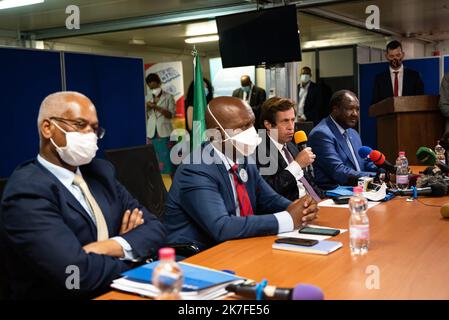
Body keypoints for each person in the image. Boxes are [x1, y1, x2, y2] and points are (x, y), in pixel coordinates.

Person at [0, 92, 166, 299]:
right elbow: (74, 274)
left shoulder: (100, 172)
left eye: (94, 128)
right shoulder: (27, 192)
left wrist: (110, 246)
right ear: (47, 128)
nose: (89, 134)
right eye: (80, 124)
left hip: (118, 291)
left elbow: (155, 229)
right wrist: (135, 257)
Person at [164, 97, 319, 252]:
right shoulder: (196, 169)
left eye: (251, 123)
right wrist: (288, 219)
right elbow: (221, 227)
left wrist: (301, 209)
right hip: (201, 255)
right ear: (218, 134)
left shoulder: (242, 158)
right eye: (244, 127)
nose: (252, 131)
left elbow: (268, 199)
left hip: (241, 246)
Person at [256, 97, 325, 201]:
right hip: (293, 209)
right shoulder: (260, 149)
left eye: (293, 120)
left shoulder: (291, 145)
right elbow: (270, 190)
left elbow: (308, 182)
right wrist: (297, 165)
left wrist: (324, 200)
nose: (291, 127)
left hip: (315, 203)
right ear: (268, 125)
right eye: (285, 121)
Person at [308, 90, 378, 190]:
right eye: (350, 109)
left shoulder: (353, 133)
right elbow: (338, 172)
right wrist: (377, 177)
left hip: (362, 189)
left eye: (357, 110)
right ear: (335, 109)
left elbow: (366, 162)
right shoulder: (321, 134)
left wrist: (386, 171)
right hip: (336, 194)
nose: (355, 114)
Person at [372, 40, 424, 105]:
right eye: (391, 56)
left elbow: (420, 101)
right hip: (387, 114)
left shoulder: (415, 76)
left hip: (409, 114)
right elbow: (375, 104)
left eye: (398, 55)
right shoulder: (379, 79)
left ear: (403, 55)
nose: (395, 58)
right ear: (386, 56)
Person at [145, 73, 176, 175]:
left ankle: (170, 178)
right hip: (151, 133)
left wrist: (156, 107)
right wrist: (148, 107)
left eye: (154, 86)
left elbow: (171, 115)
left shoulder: (169, 97)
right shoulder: (147, 98)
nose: (153, 89)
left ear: (159, 83)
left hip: (164, 133)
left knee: (167, 159)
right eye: (150, 87)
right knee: (152, 160)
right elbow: (145, 114)